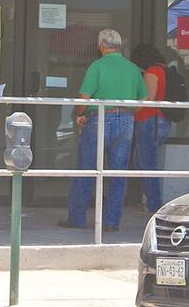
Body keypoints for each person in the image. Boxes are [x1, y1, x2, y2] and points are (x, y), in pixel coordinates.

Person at [58, 29, 147, 232]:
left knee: (87, 169)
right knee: (118, 173)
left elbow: (83, 98)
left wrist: (79, 114)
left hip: (99, 118)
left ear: (101, 46)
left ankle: (77, 218)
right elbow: (144, 98)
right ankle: (111, 222)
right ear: (119, 46)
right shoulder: (132, 68)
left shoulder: (97, 66)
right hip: (126, 120)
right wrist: (130, 111)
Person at [130, 43, 171, 213]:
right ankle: (149, 201)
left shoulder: (152, 72)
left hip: (149, 121)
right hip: (161, 120)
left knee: (146, 163)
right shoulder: (164, 69)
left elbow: (148, 99)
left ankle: (153, 203)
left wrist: (129, 110)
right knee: (144, 161)